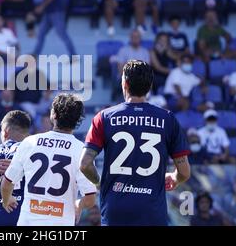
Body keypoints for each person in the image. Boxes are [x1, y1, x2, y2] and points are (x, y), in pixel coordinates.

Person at [80, 60, 191, 226]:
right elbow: (184, 172)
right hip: (151, 211)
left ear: (124, 83)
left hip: (115, 209)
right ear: (150, 85)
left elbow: (85, 164)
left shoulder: (104, 117)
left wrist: (99, 182)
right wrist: (175, 178)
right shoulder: (168, 119)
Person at [1, 93, 97, 226]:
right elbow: (91, 198)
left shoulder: (30, 142)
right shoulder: (80, 150)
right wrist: (79, 204)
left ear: (53, 115)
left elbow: (7, 183)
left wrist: (6, 199)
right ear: (78, 120)